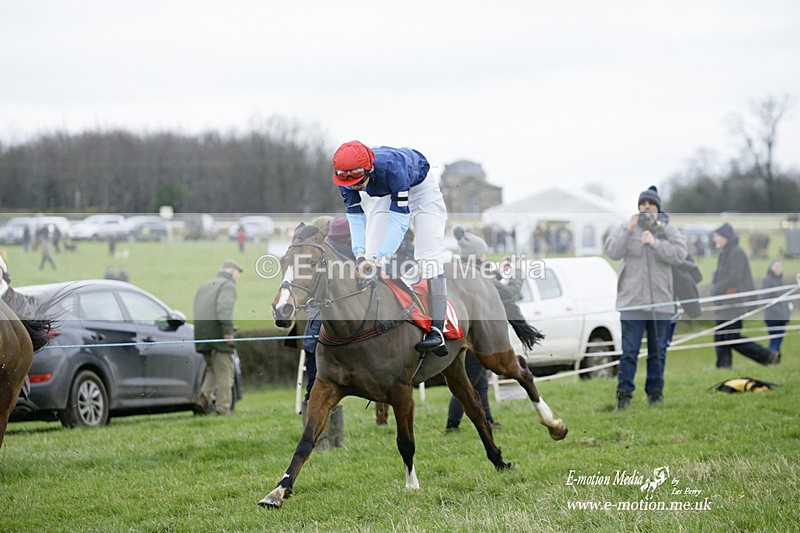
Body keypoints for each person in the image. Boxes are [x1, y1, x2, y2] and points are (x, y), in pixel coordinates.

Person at [332, 140, 449, 356]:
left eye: (358, 182)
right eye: (350, 184)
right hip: (388, 193)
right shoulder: (345, 178)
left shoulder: (393, 168)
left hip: (421, 189)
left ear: (369, 169)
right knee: (368, 254)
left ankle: (438, 330)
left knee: (427, 258)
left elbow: (400, 223)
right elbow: (356, 217)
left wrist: (381, 260)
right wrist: (360, 255)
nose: (355, 188)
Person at [604, 186, 687, 411]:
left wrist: (656, 243)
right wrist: (628, 231)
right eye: (642, 204)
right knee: (629, 353)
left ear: (658, 208)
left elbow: (680, 254)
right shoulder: (626, 227)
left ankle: (655, 396)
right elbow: (612, 251)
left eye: (650, 204)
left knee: (657, 353)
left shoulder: (668, 230)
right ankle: (623, 398)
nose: (646, 208)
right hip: (631, 303)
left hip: (661, 303)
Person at [444, 227, 500, 432]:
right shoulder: (476, 274)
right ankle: (452, 424)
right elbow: (507, 293)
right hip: (476, 334)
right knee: (467, 383)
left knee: (481, 381)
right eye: (483, 252)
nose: (486, 255)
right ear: (477, 255)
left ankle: (489, 419)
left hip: (467, 333)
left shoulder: (463, 271)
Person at [711, 223, 780, 368]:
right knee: (720, 336)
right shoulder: (724, 253)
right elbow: (719, 275)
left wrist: (717, 289)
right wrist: (715, 285)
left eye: (717, 236)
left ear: (726, 238)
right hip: (724, 303)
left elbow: (735, 277)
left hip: (735, 302)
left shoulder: (737, 252)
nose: (715, 239)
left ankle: (768, 356)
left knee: (732, 337)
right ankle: (723, 368)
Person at [193, 259, 243, 416]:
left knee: (212, 370)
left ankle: (203, 399)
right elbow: (224, 308)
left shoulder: (206, 285)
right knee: (225, 373)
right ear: (232, 272)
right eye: (238, 274)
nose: (238, 278)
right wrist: (228, 331)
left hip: (202, 336)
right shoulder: (227, 285)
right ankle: (223, 409)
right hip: (219, 336)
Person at [762, 259, 791, 355]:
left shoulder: (781, 281)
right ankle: (771, 357)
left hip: (782, 316)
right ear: (771, 268)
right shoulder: (767, 280)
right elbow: (765, 298)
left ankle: (775, 357)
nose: (778, 269)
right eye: (776, 266)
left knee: (779, 339)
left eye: (780, 267)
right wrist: (777, 311)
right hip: (773, 316)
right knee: (774, 339)